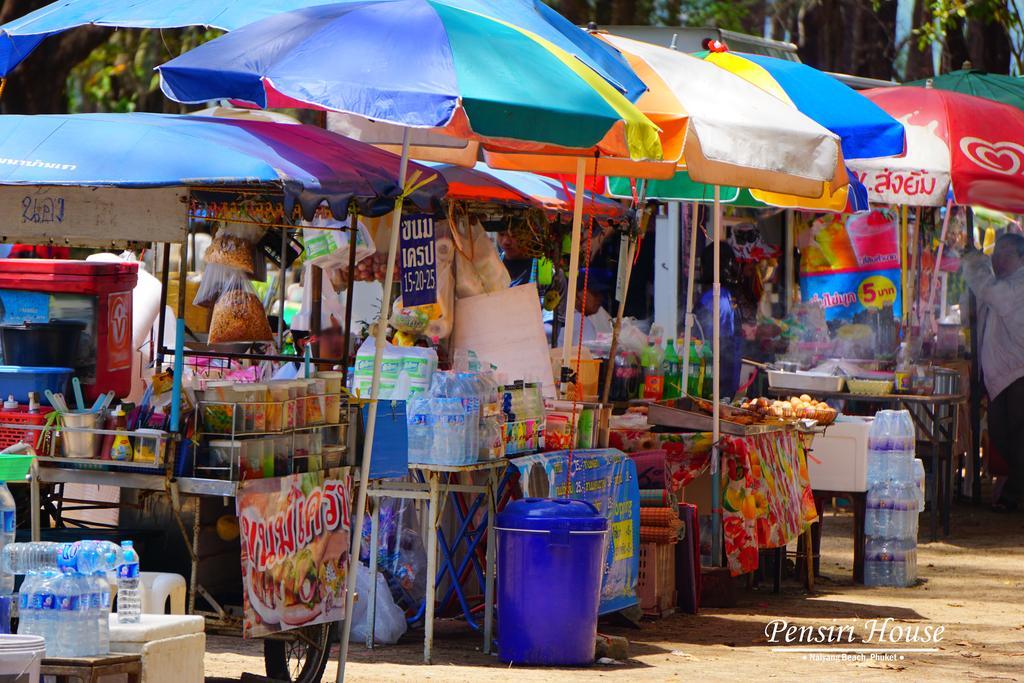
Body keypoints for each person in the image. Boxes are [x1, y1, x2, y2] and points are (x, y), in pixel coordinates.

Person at [963, 232, 1024, 512]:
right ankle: (1014, 489)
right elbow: (973, 313)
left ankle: (1014, 494)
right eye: (995, 253)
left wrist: (974, 264)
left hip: (1018, 373)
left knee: (1016, 434)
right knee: (1002, 434)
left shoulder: (1018, 284)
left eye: (1006, 254)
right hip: (1002, 375)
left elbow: (991, 293)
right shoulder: (1000, 283)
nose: (997, 259)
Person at [694, 241, 742, 399]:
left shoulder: (715, 298)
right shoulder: (723, 296)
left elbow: (709, 342)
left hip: (714, 380)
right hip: (726, 379)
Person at [556, 269, 614, 346]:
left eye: (601, 294)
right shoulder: (576, 320)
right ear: (576, 294)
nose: (600, 298)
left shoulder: (595, 313)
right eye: (594, 293)